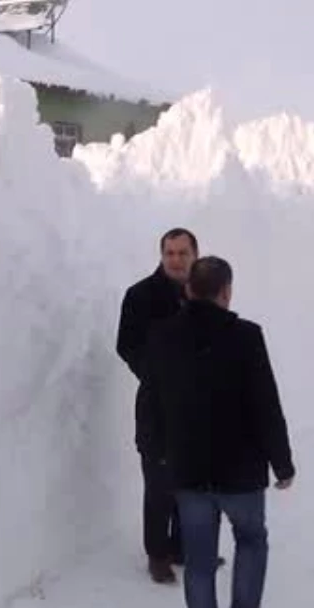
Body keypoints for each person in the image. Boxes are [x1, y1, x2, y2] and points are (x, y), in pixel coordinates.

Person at [142, 256, 295, 608]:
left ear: (189, 289)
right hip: (240, 472)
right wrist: (282, 464)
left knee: (199, 562)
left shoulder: (161, 336)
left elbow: (151, 400)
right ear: (226, 291)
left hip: (187, 471)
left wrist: (154, 450)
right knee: (251, 541)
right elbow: (266, 405)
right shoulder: (246, 337)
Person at [116, 227, 209, 585]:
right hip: (158, 407)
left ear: (195, 255)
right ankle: (158, 554)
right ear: (161, 255)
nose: (175, 259)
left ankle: (184, 547)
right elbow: (126, 345)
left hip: (199, 407)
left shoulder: (206, 292)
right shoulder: (140, 296)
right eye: (169, 253)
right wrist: (160, 375)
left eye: (182, 253)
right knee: (159, 484)